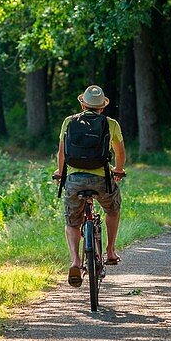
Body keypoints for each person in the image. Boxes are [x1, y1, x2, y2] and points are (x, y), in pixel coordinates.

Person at [53, 84, 126, 287]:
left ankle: (75, 260)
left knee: (72, 222)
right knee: (112, 210)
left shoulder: (68, 122)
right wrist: (118, 170)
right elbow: (120, 153)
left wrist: (60, 173)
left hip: (74, 180)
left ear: (83, 104)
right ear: (102, 107)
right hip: (102, 178)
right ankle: (110, 251)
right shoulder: (111, 124)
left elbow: (62, 153)